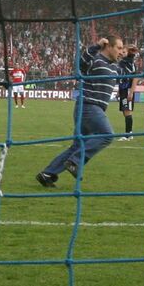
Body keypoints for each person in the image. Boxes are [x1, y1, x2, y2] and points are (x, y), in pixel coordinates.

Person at [36, 34, 127, 187]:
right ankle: (75, 162)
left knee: (78, 146)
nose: (121, 51)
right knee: (107, 135)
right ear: (108, 46)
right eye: (118, 48)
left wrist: (130, 56)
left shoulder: (114, 67)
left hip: (94, 109)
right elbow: (80, 63)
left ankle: (47, 174)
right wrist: (96, 46)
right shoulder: (95, 60)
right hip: (88, 106)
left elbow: (128, 72)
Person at [116, 45, 138, 141]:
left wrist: (131, 92)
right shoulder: (122, 63)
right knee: (125, 112)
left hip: (128, 90)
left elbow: (135, 79)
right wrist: (118, 91)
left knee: (127, 111)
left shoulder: (131, 64)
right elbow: (121, 78)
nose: (122, 53)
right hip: (123, 90)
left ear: (128, 53)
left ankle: (128, 135)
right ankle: (129, 133)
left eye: (124, 52)